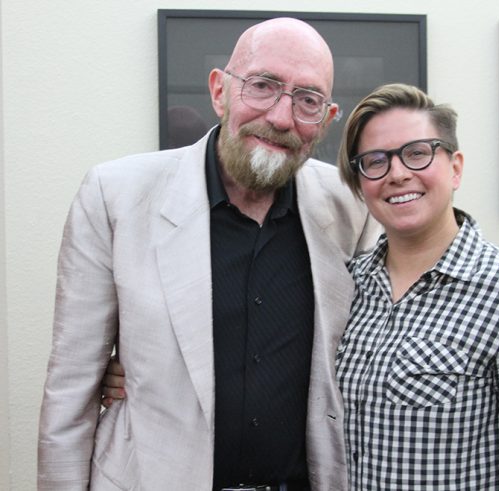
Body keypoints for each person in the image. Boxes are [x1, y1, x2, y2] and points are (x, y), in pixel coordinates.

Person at [37, 18, 381, 491]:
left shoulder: (351, 206)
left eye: (307, 99)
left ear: (326, 117)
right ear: (220, 91)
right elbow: (70, 391)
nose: (281, 117)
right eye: (262, 86)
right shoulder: (115, 196)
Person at [335, 83, 499, 489]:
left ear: (455, 167)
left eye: (417, 153)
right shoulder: (346, 285)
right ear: (360, 184)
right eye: (374, 161)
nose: (397, 174)